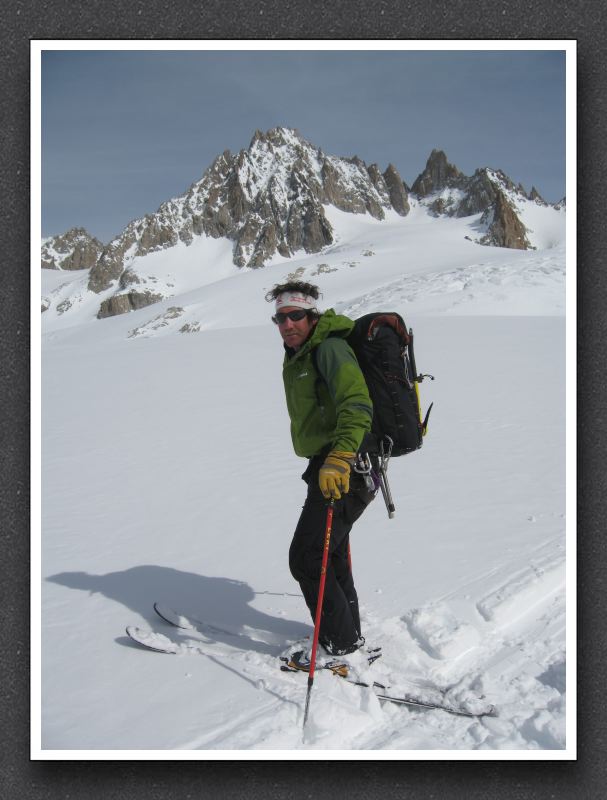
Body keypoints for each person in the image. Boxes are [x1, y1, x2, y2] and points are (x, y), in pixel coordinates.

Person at [265, 281, 376, 657]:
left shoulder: (329, 348)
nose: (287, 324)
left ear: (312, 316)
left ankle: (339, 644)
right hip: (328, 466)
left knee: (308, 556)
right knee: (331, 554)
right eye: (280, 318)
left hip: (346, 467)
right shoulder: (301, 352)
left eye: (295, 316)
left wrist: (341, 456)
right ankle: (348, 636)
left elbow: (357, 403)